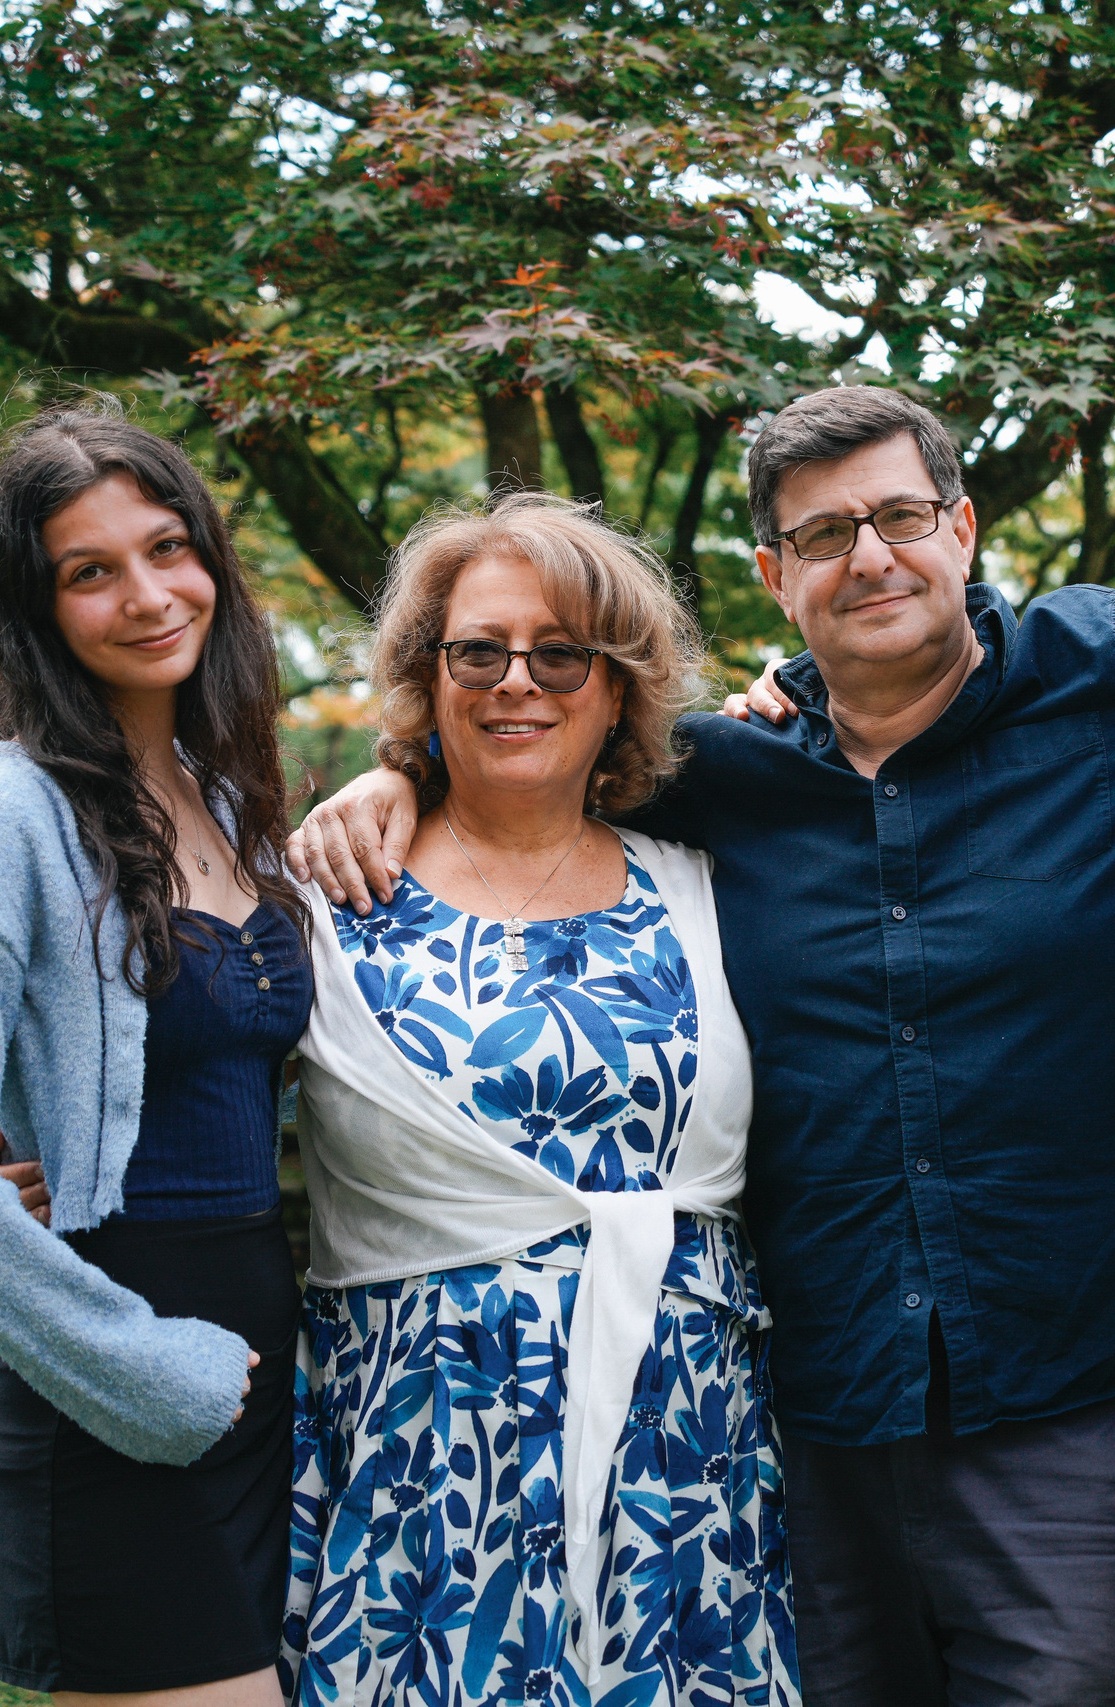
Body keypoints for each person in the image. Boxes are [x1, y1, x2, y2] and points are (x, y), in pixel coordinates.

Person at [291, 386, 1115, 1705]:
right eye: (824, 535)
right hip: (809, 1414)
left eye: (898, 515)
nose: (869, 555)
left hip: (1066, 1397)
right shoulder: (721, 780)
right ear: (775, 575)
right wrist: (398, 771)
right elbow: (522, 748)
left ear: (964, 526)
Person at [280, 494, 798, 1706]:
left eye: (561, 653)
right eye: (479, 650)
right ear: (429, 674)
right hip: (419, 1470)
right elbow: (192, 1103)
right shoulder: (324, 893)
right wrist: (41, 1167)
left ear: (616, 689)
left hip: (684, 1467)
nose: (519, 680)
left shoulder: (717, 888)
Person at [0, 401, 310, 1705]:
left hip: (265, 1393)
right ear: (32, 610)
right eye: (88, 570)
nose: (148, 593)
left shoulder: (234, 800)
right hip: (118, 1399)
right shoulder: (1, 807)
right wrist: (142, 1367)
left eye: (168, 547)